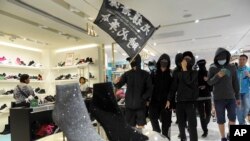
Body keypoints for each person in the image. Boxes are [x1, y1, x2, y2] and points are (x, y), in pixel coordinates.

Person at [207, 48, 240, 141]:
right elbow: (209, 82)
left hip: (231, 98)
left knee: (233, 118)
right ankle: (223, 137)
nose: (222, 60)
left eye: (223, 58)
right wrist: (218, 76)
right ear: (216, 58)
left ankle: (230, 134)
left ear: (227, 57)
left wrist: (237, 97)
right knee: (220, 119)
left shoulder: (232, 67)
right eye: (219, 58)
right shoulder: (212, 68)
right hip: (218, 98)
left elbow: (235, 83)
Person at [114, 54, 153, 129]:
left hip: (140, 107)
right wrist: (115, 82)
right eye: (130, 60)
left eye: (132, 60)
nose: (131, 62)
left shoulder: (145, 74)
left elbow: (150, 89)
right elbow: (118, 85)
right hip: (129, 107)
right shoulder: (127, 74)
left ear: (138, 61)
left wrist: (143, 98)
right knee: (130, 129)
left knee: (141, 129)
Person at [166, 51, 198, 141]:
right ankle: (183, 138)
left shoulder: (194, 73)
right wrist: (169, 99)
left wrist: (184, 69)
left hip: (190, 102)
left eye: (188, 59)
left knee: (192, 125)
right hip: (179, 102)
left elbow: (189, 82)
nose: (186, 61)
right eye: (185, 59)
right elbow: (173, 87)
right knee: (181, 124)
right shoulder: (177, 73)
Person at [149, 54, 173, 139]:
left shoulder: (170, 74)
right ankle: (158, 136)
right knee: (153, 120)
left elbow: (172, 88)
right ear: (159, 61)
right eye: (162, 61)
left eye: (166, 61)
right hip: (154, 102)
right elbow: (149, 86)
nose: (164, 63)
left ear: (168, 63)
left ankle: (165, 138)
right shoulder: (154, 73)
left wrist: (169, 99)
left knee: (166, 125)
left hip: (166, 103)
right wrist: (148, 99)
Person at [196, 59, 212, 137]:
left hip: (207, 96)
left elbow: (212, 86)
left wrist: (207, 83)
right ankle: (205, 130)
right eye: (200, 65)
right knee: (202, 115)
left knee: (208, 114)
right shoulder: (196, 74)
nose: (201, 66)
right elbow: (194, 85)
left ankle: (204, 125)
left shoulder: (208, 73)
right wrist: (199, 87)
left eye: (202, 65)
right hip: (199, 97)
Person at [236, 54, 250, 125]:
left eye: (243, 59)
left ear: (246, 60)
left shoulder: (249, 69)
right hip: (237, 93)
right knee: (239, 108)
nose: (241, 61)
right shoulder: (235, 70)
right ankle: (242, 123)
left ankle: (242, 119)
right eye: (240, 59)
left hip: (246, 92)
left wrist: (249, 76)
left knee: (247, 107)